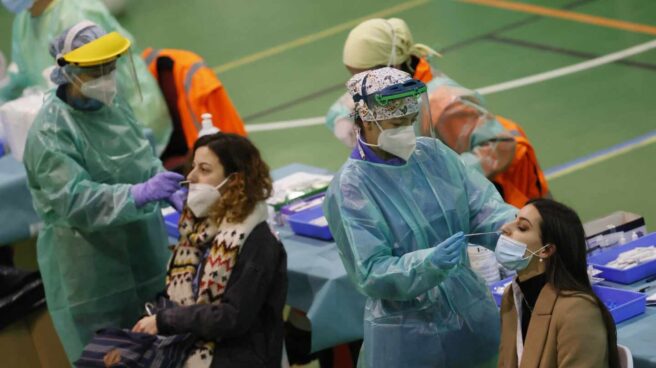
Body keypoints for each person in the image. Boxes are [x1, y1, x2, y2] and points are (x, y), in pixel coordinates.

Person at [324, 67, 517, 367]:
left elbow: (480, 206)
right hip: (406, 338)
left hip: (471, 317)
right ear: (367, 121)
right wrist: (428, 265)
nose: (407, 132)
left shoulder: (433, 156)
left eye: (411, 122)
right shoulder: (351, 189)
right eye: (397, 123)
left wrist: (510, 232)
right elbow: (370, 271)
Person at [22, 23, 185, 362]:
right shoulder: (50, 132)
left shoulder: (113, 105)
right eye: (96, 70)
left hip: (144, 254)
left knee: (164, 353)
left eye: (110, 67)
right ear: (69, 72)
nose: (107, 77)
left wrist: (160, 179)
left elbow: (138, 154)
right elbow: (73, 199)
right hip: (91, 277)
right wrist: (136, 195)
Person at [326, 17, 550, 208]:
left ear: (389, 67)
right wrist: (344, 121)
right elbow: (344, 105)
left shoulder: (442, 103)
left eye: (363, 76)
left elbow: (500, 145)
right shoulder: (385, 85)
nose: (357, 86)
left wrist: (442, 179)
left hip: (498, 198)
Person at [129, 133, 287, 368]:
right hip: (190, 340)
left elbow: (232, 318)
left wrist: (164, 321)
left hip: (239, 356)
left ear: (235, 181)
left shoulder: (258, 241)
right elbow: (177, 293)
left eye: (204, 169)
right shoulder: (198, 230)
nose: (190, 177)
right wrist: (153, 317)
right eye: (192, 167)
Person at [0, 0, 172, 153]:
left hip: (130, 124)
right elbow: (19, 78)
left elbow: (106, 84)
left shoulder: (76, 12)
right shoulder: (23, 22)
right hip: (77, 124)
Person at [496, 198, 619, 368]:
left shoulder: (577, 311)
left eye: (522, 227)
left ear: (546, 250)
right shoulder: (512, 297)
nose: (504, 228)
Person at [427, 77, 550, 207]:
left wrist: (449, 178)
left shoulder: (444, 105)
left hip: (509, 171)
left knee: (538, 219)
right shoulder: (426, 90)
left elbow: (501, 145)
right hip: (490, 159)